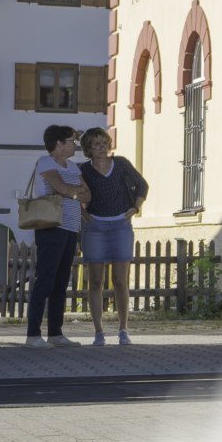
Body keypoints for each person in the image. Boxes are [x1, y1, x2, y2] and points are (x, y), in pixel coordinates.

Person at [78, 127, 148, 346]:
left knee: (120, 280)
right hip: (94, 227)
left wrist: (135, 208)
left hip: (120, 225)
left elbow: (142, 185)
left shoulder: (121, 164)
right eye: (96, 144)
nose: (102, 147)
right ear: (88, 149)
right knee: (96, 281)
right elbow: (73, 192)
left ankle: (123, 329)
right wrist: (81, 211)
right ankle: (98, 332)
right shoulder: (83, 170)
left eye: (104, 143)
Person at [25, 125, 88, 347]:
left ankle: (55, 333)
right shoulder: (45, 162)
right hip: (51, 227)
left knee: (61, 282)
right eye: (72, 141)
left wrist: (74, 191)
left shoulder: (72, 166)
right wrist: (73, 191)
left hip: (71, 227)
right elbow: (63, 188)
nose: (75, 145)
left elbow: (86, 194)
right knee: (45, 280)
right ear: (59, 143)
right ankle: (33, 335)